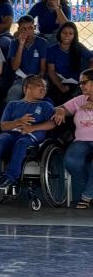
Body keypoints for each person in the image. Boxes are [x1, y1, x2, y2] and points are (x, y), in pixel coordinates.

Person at [0, 75, 57, 193]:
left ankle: (10, 177)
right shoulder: (13, 104)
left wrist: (32, 128)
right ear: (26, 88)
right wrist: (19, 121)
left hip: (31, 136)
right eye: (39, 86)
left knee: (21, 142)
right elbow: (3, 126)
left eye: (45, 87)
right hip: (12, 134)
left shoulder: (46, 105)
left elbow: (52, 124)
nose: (43, 89)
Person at [54, 68, 93, 208]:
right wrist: (60, 111)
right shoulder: (80, 99)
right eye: (80, 83)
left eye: (84, 82)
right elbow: (61, 107)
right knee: (71, 161)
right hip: (81, 141)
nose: (81, 86)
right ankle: (91, 189)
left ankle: (86, 196)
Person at [46, 21, 93, 105]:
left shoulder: (78, 46)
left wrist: (87, 76)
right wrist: (61, 87)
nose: (67, 35)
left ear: (74, 35)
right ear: (60, 33)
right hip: (58, 81)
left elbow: (91, 59)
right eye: (64, 33)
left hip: (76, 82)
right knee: (55, 100)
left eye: (70, 33)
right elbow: (51, 70)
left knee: (76, 101)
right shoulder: (52, 49)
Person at [6, 15, 48, 102]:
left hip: (38, 78)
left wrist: (36, 81)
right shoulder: (14, 43)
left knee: (39, 95)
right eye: (24, 29)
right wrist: (21, 45)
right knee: (13, 96)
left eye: (30, 28)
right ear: (19, 29)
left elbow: (43, 69)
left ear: (34, 27)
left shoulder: (42, 42)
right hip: (20, 79)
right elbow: (14, 67)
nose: (27, 31)